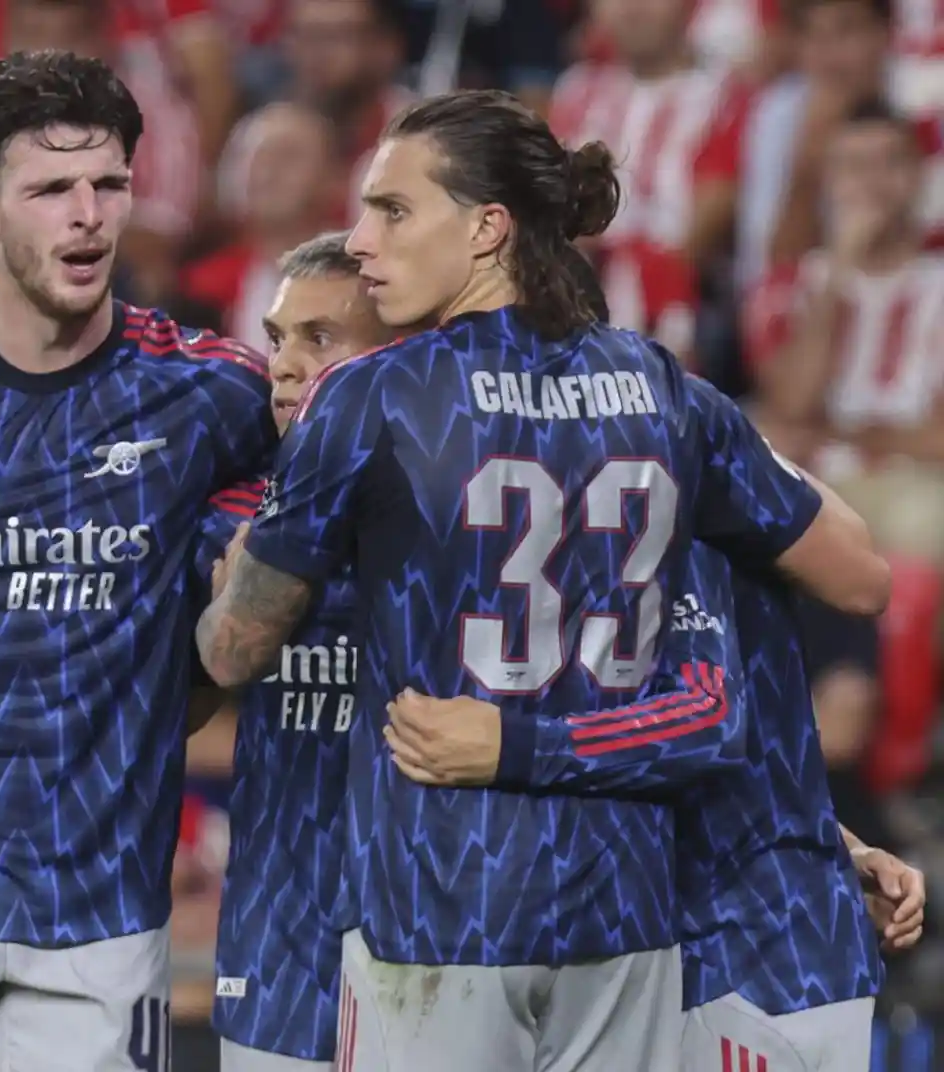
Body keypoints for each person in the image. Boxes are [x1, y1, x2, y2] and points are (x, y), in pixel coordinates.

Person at [196, 90, 889, 1072]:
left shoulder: (372, 395)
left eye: (392, 210)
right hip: (624, 909)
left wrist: (234, 586)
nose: (360, 240)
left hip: (439, 900)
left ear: (488, 229)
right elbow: (855, 574)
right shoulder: (661, 388)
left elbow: (233, 649)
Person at [0, 50, 276, 1072]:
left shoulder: (217, 397)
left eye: (108, 184)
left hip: (99, 923)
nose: (87, 216)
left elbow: (279, 582)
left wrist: (193, 679)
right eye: (49, 190)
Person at [384, 546, 925, 1072]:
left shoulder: (714, 522)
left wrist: (830, 849)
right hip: (592, 944)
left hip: (748, 958)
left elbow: (721, 726)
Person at [200, 231, 394, 1072]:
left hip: (423, 928)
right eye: (278, 337)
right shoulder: (226, 515)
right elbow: (175, 706)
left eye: (320, 338)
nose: (283, 365)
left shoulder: (463, 512)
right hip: (276, 940)